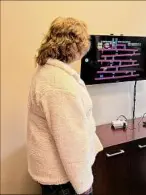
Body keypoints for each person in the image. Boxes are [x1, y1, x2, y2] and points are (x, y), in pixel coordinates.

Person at [27, 17, 103, 195]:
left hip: (56, 178)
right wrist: (84, 186)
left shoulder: (48, 72)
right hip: (64, 182)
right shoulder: (60, 86)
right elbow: (70, 142)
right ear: (74, 46)